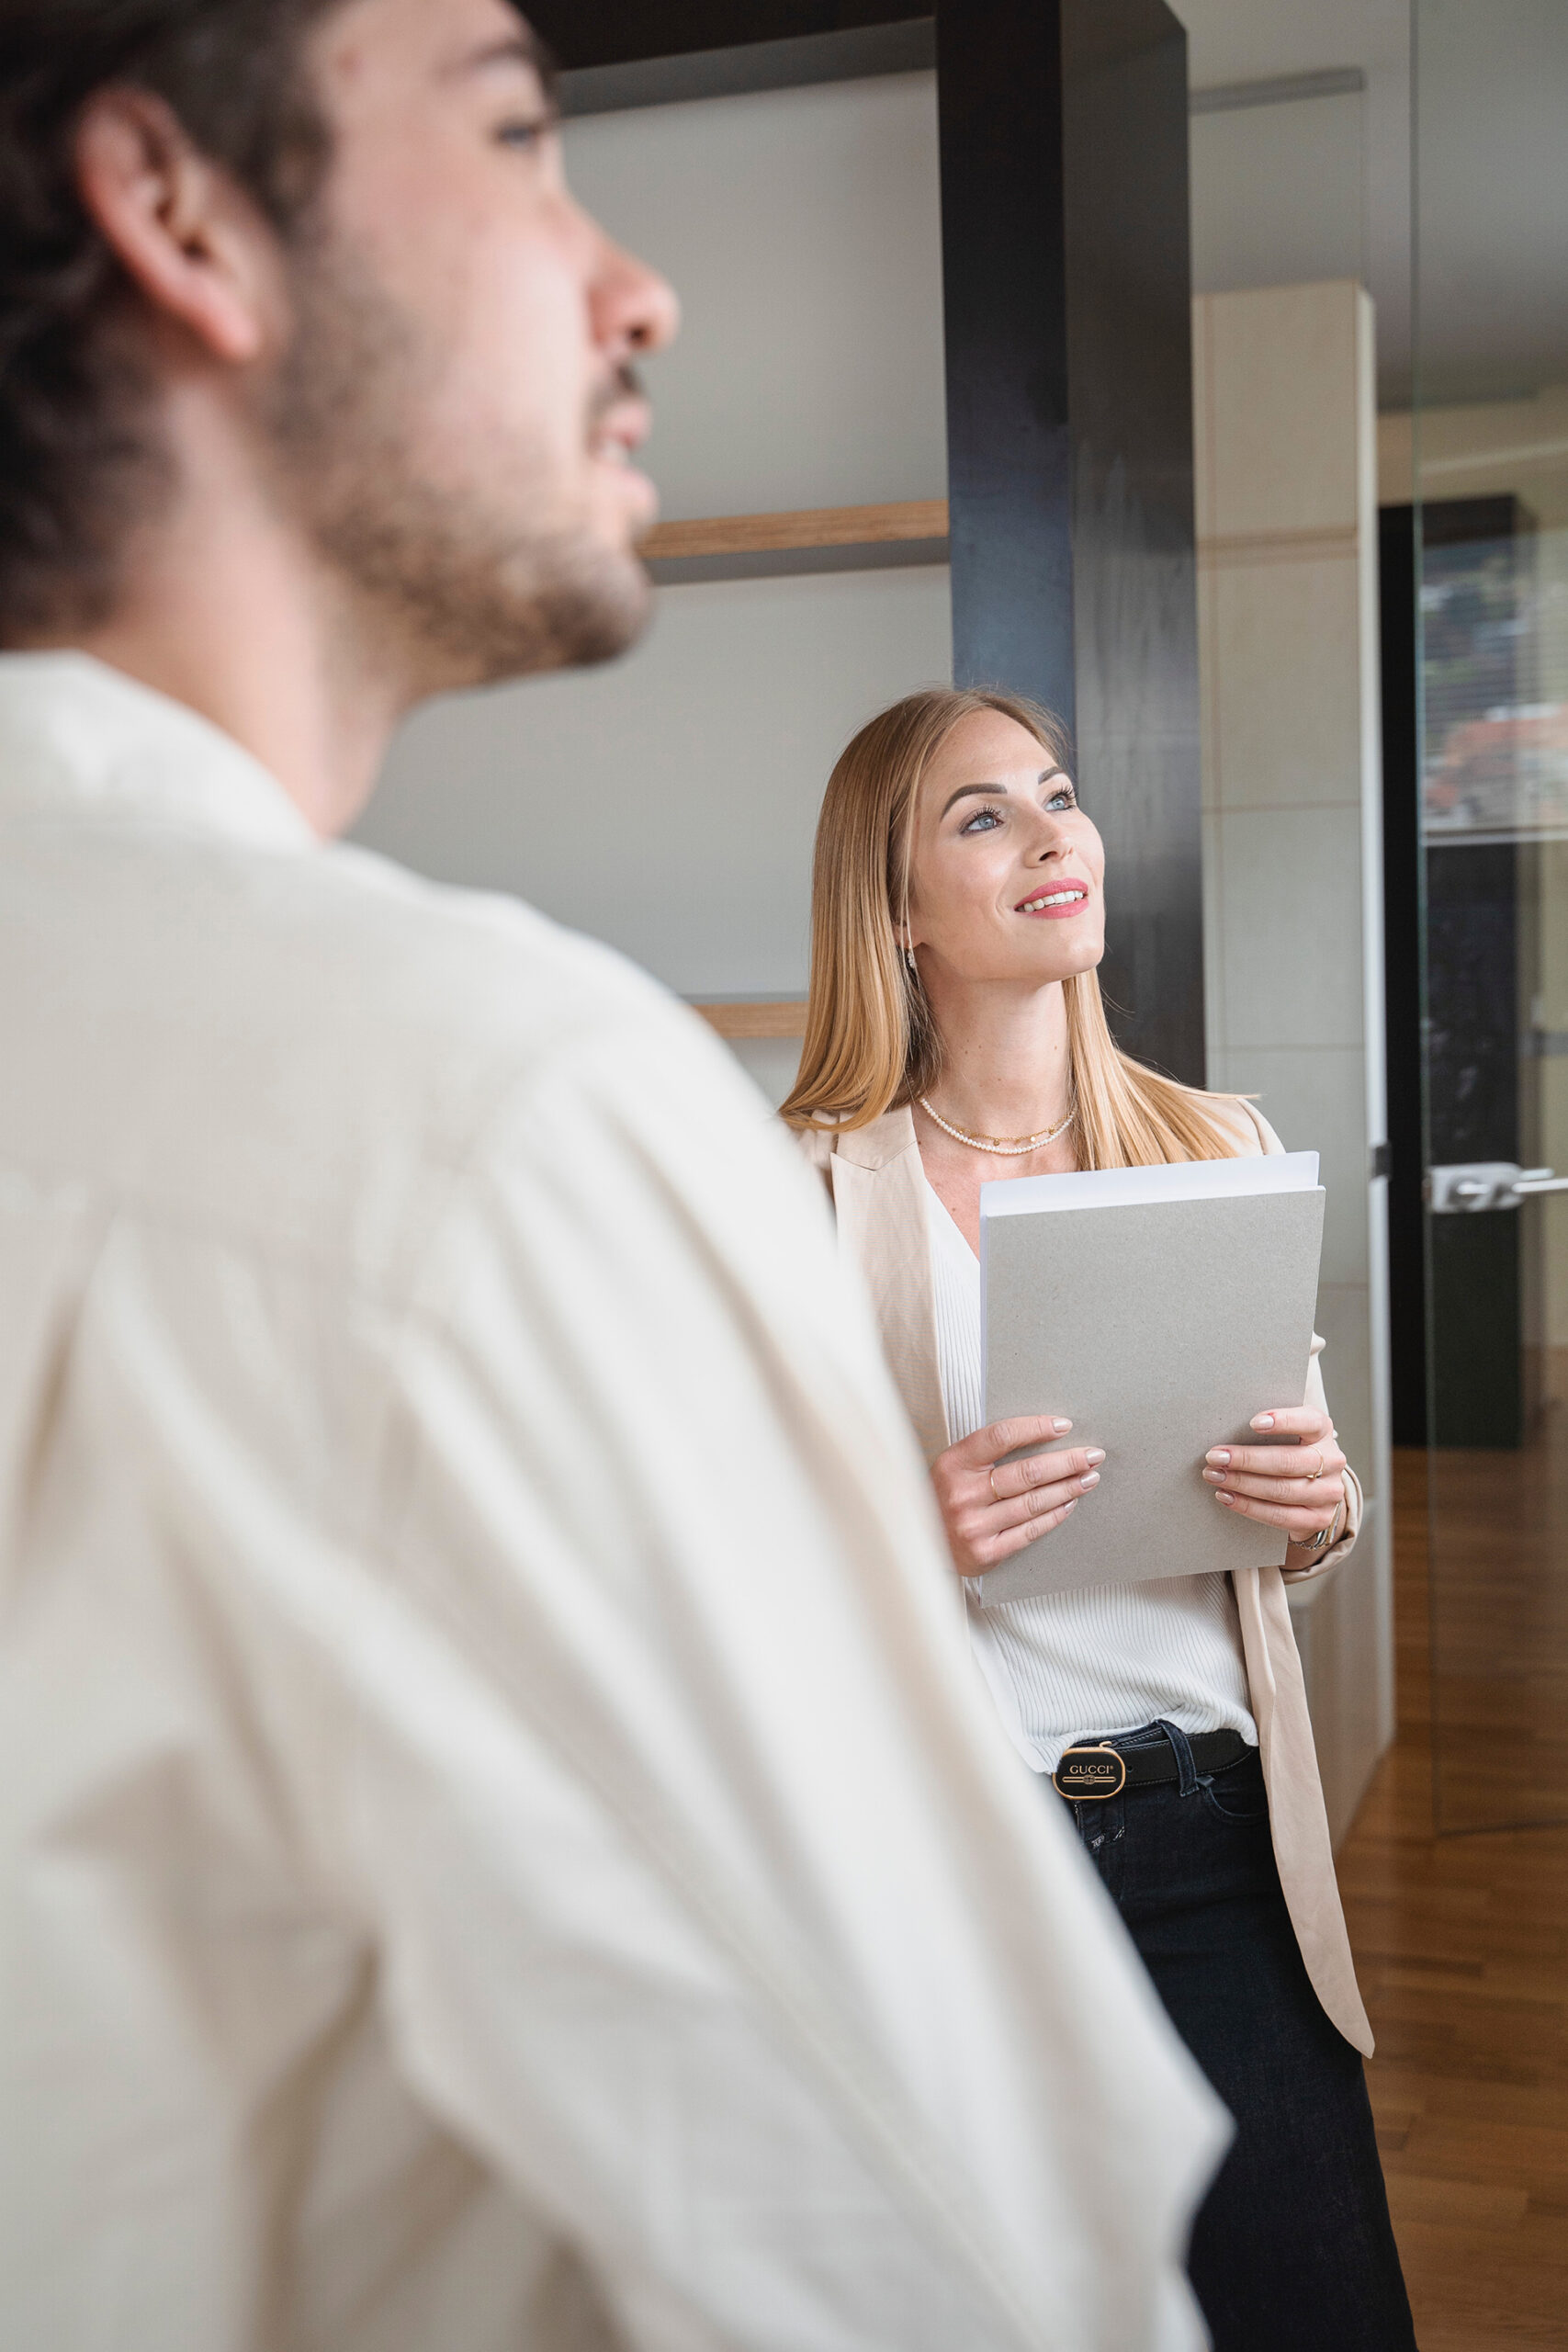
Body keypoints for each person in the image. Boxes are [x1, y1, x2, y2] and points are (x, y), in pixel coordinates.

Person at [0, 6, 1233, 2347]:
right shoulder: (491, 1121)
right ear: (178, 215)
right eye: (512, 144)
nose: (634, 286)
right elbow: (941, 2244)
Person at [784, 686, 1419, 2352]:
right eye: (980, 815)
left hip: (1219, 1851)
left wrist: (1317, 1506)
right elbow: (705, 1582)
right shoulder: (792, 1194)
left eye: (1056, 796)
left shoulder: (1218, 1144)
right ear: (896, 909)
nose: (1051, 831)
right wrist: (898, 1538)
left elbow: (1313, 1520)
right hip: (955, 1873)